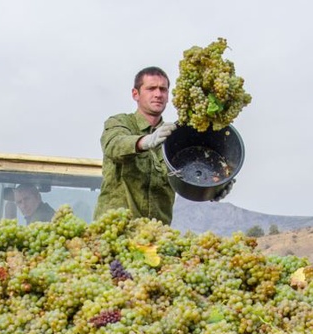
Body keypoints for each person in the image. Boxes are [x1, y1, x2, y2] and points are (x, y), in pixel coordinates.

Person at [94, 66, 231, 224]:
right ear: (135, 94)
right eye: (151, 89)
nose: (158, 94)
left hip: (156, 237)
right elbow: (114, 145)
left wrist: (213, 188)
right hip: (116, 232)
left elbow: (188, 179)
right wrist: (146, 141)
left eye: (163, 89)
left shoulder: (175, 137)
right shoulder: (119, 123)